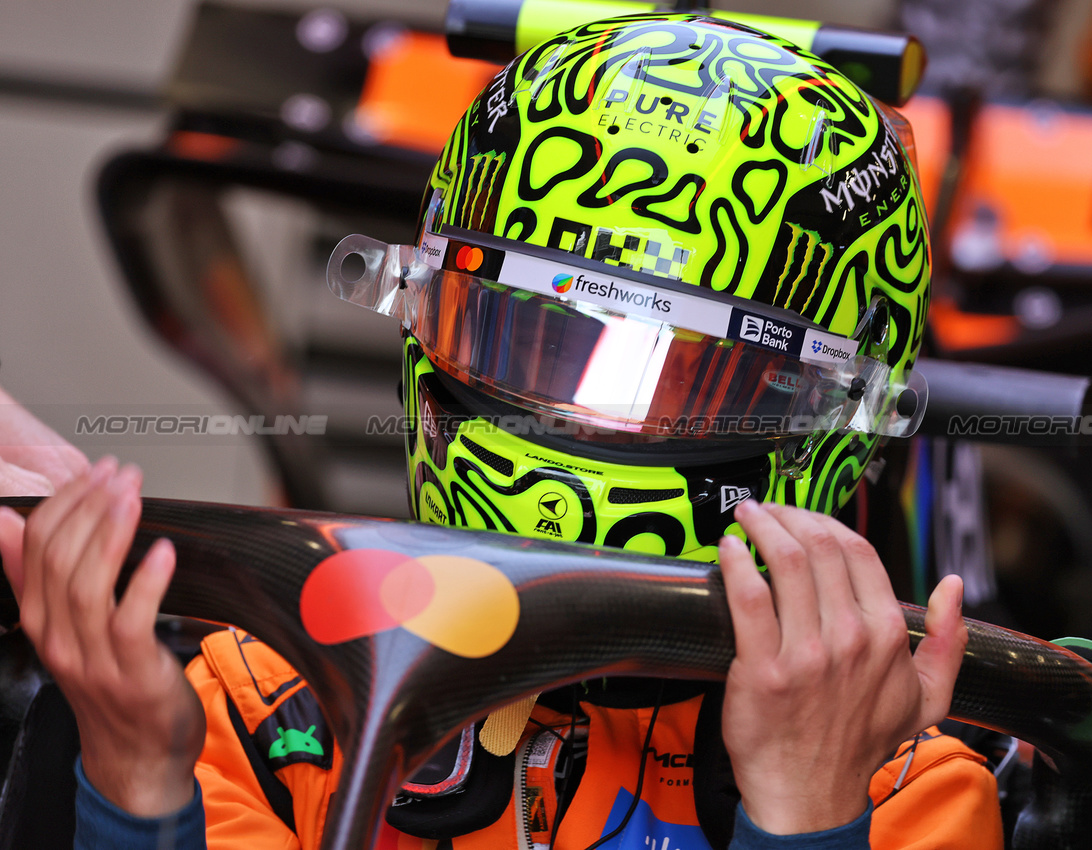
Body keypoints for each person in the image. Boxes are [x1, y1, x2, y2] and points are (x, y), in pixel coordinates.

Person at [0, 13, 1003, 849]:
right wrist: (137, 777)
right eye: (534, 337)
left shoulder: (903, 789)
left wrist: (809, 813)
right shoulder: (262, 702)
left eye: (689, 375)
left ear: (841, 410)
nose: (584, 411)